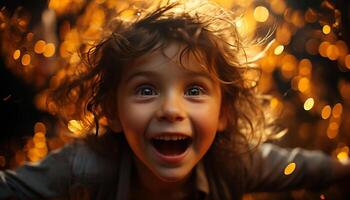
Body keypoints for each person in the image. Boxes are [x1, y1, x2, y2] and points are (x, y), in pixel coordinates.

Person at [0, 1, 349, 199]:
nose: (170, 109)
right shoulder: (81, 169)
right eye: (146, 90)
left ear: (224, 112)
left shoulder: (235, 163)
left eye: (194, 91)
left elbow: (311, 168)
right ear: (112, 112)